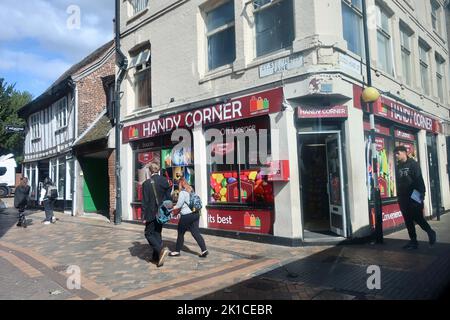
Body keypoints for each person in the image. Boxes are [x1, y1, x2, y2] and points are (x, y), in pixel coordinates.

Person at [394, 145, 436, 249]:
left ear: (404, 152)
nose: (396, 156)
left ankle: (430, 231)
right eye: (395, 154)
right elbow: (398, 182)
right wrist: (398, 196)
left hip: (414, 196)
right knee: (408, 220)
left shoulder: (413, 164)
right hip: (403, 198)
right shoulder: (398, 166)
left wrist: (421, 195)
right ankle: (413, 241)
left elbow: (419, 180)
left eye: (398, 153)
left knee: (418, 218)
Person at [169, 178, 208, 258]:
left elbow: (179, 205)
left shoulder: (183, 192)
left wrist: (171, 208)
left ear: (181, 184)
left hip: (187, 216)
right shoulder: (191, 190)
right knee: (195, 232)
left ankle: (177, 251)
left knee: (180, 233)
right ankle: (204, 250)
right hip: (196, 214)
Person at [142, 162, 171, 267]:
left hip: (150, 213)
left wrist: (144, 216)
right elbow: (168, 198)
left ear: (150, 171)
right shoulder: (164, 181)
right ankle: (157, 258)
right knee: (157, 233)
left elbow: (145, 201)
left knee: (148, 234)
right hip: (161, 212)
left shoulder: (146, 183)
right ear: (158, 170)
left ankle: (160, 251)